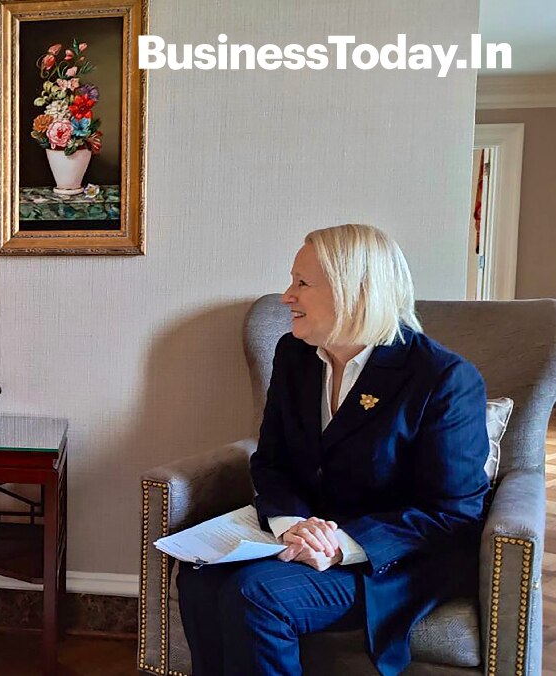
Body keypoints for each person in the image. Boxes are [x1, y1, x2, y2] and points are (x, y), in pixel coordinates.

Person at [177, 224, 490, 675]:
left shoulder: (443, 378)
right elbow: (271, 462)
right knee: (200, 576)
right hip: (307, 536)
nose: (287, 297)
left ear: (355, 290)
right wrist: (292, 526)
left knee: (256, 593)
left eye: (302, 283)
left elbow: (453, 513)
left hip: (392, 560)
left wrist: (342, 545)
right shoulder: (295, 355)